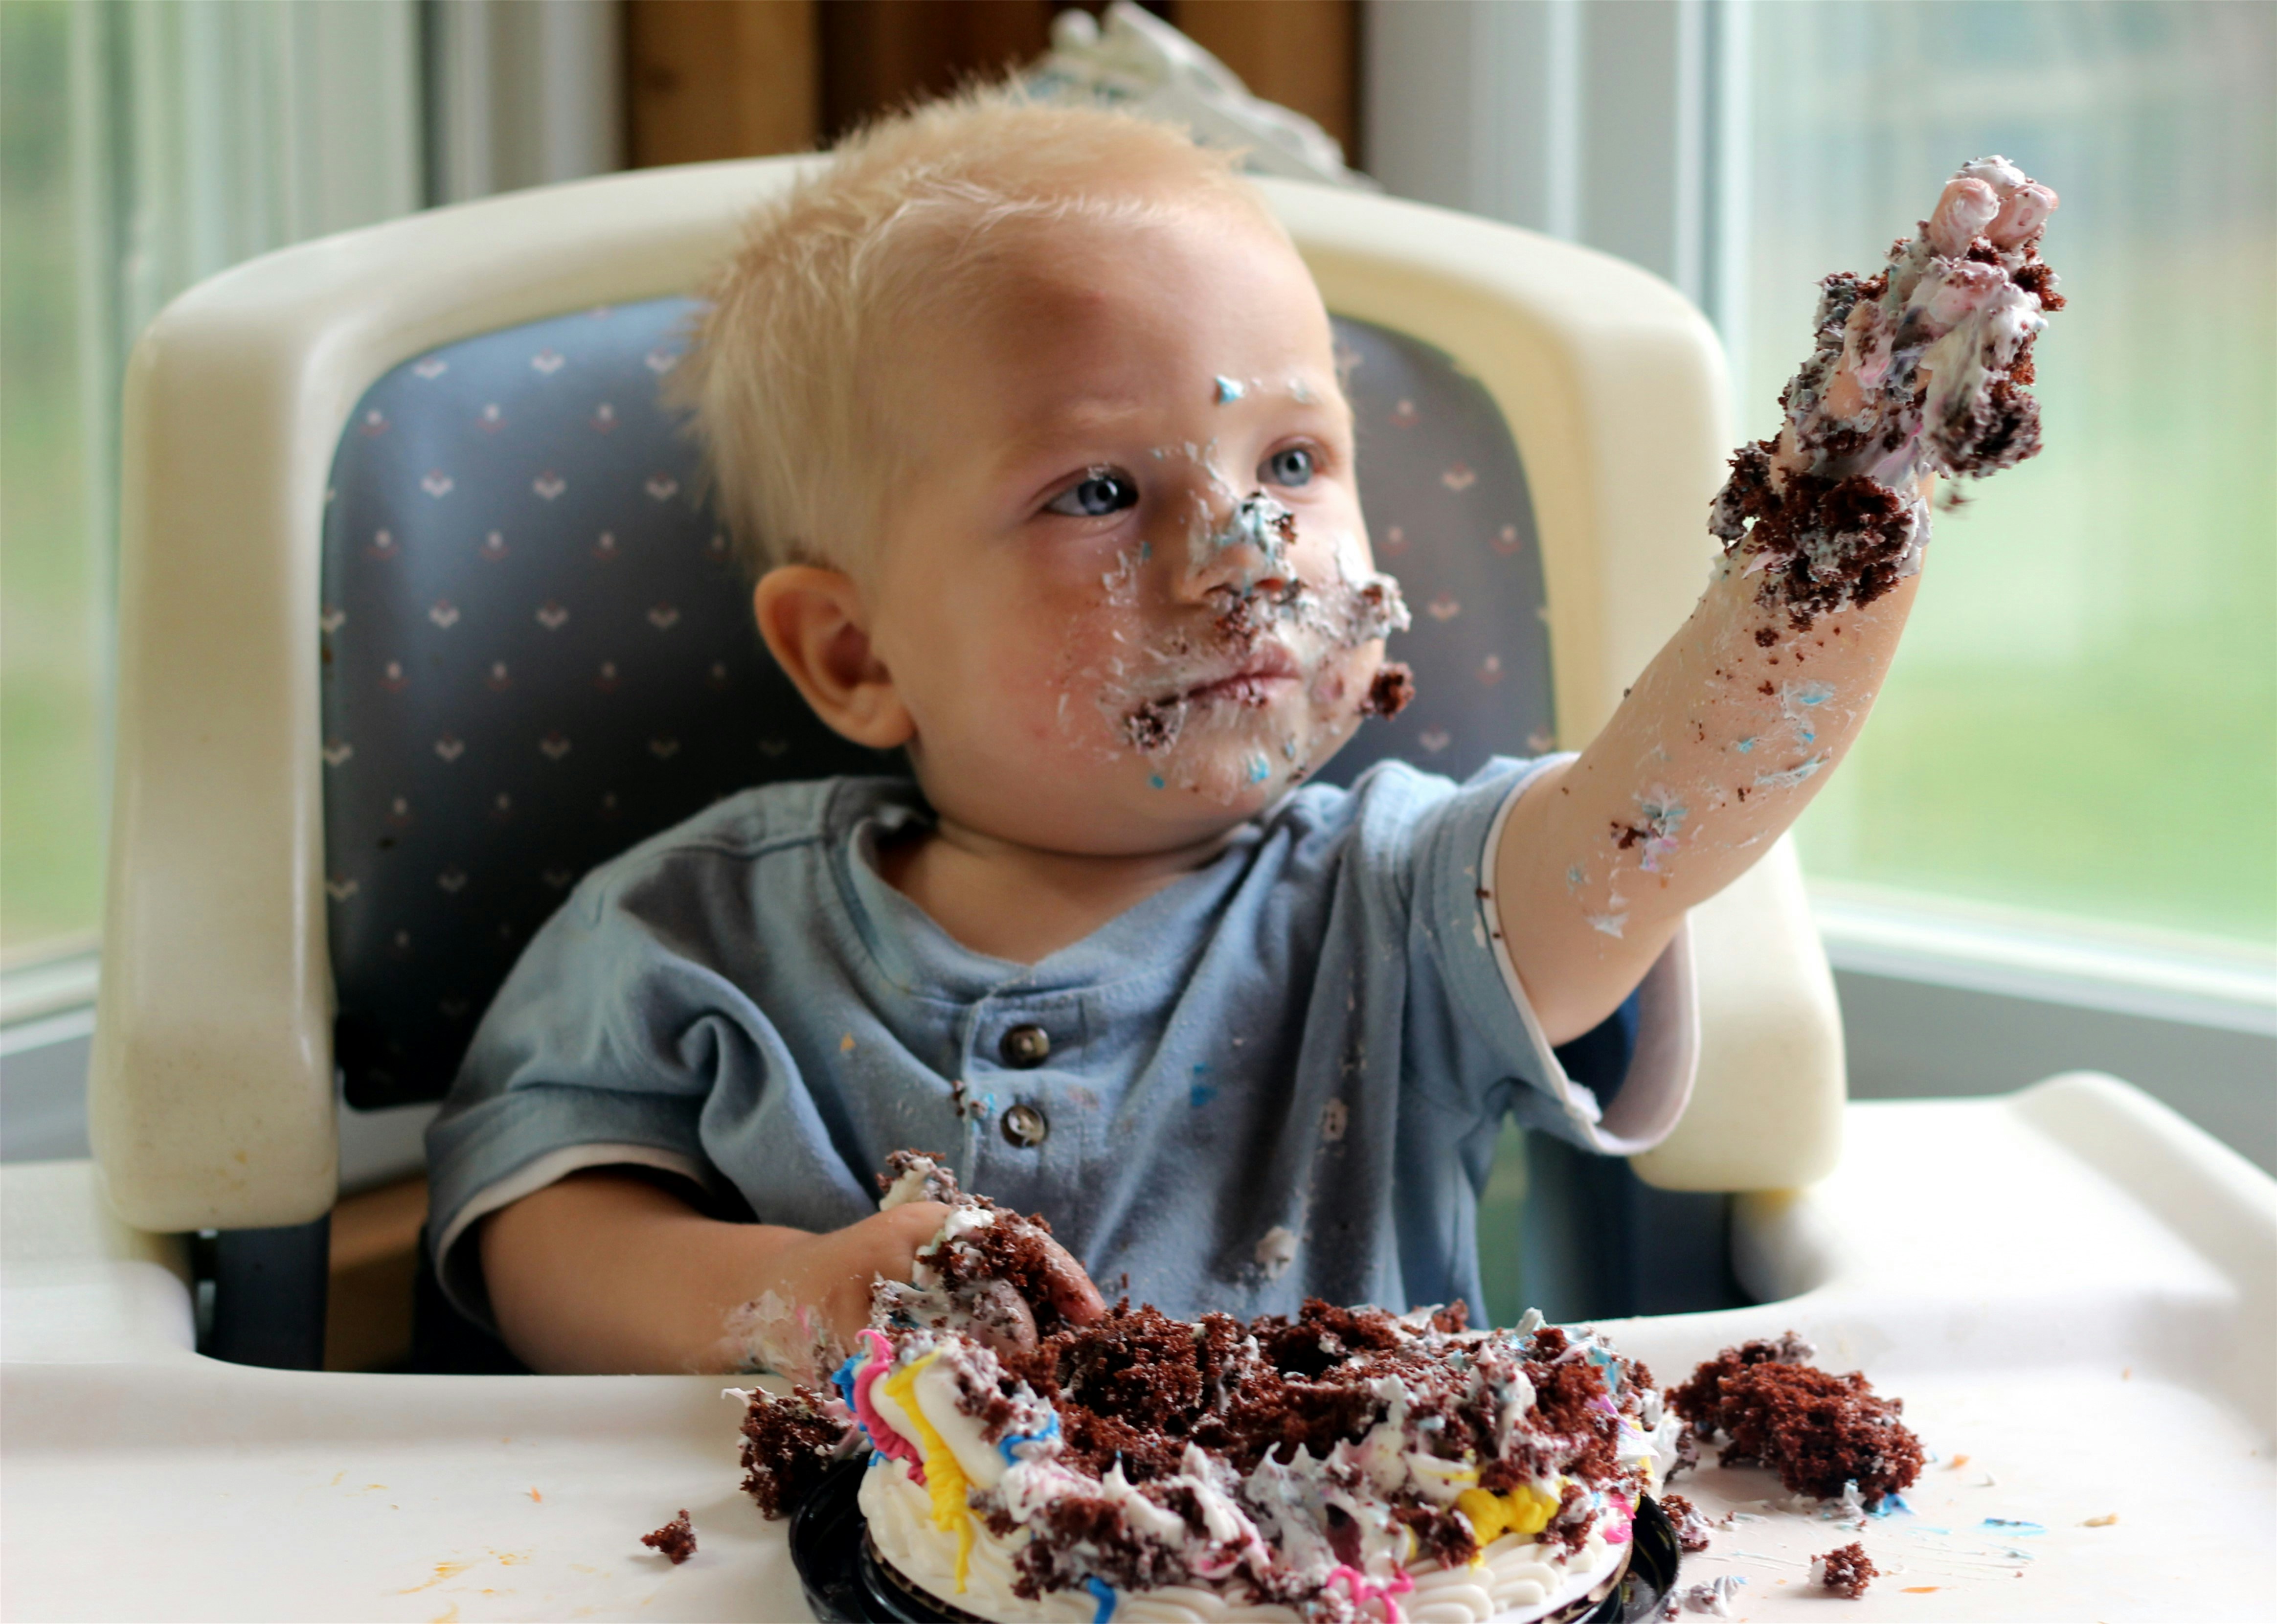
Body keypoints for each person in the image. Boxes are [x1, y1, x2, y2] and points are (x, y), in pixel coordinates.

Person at [424, 91, 2055, 1376]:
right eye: (1100, 493)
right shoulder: (690, 930)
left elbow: (1675, 813)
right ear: (853, 652)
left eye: (1290, 462)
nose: (1241, 556)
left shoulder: (1407, 902)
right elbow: (537, 1235)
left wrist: (1855, 502)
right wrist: (787, 1299)